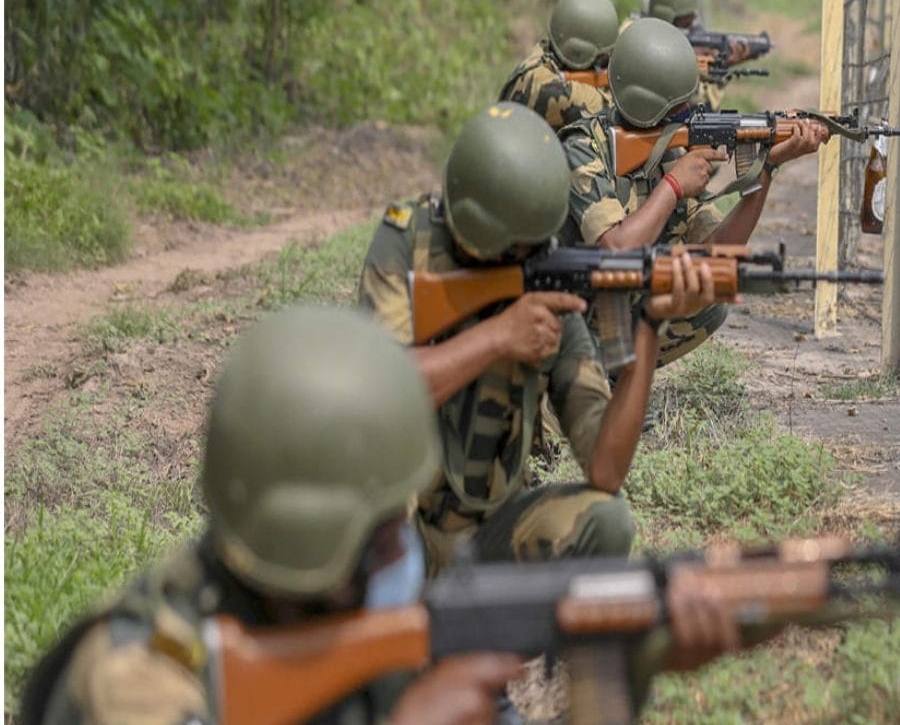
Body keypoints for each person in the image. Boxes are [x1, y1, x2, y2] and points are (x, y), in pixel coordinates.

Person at [19, 307, 527, 725]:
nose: (407, 551)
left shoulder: (333, 628)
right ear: (318, 546)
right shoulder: (134, 682)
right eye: (390, 530)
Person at [358, 102, 715, 577]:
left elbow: (605, 468)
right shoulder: (408, 242)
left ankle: (513, 626)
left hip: (488, 530)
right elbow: (383, 392)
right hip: (395, 531)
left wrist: (649, 326)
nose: (528, 256)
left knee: (605, 522)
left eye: (536, 246)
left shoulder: (546, 284)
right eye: (519, 248)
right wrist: (499, 336)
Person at [559, 18, 829, 367]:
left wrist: (765, 170)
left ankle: (618, 383)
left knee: (710, 293)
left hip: (612, 310)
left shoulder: (666, 150)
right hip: (564, 320)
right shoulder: (583, 148)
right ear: (649, 105)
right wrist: (673, 187)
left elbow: (719, 253)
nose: (689, 115)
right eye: (682, 109)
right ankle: (596, 381)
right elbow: (615, 250)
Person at [498, 0, 618, 130]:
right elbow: (615, 111)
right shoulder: (545, 87)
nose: (604, 67)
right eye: (603, 61)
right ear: (579, 52)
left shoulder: (544, 53)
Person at [639, 0, 754, 112]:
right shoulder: (634, 39)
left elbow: (705, 109)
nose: (693, 29)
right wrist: (688, 62)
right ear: (666, 17)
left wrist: (717, 67)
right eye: (686, 24)